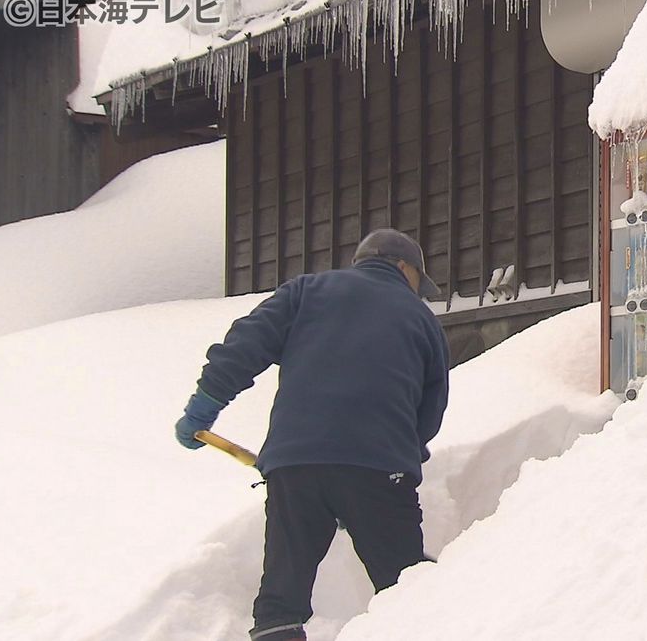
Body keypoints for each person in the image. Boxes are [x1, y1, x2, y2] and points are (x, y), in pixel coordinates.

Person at [174, 229, 450, 641]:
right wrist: (388, 468)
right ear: (403, 267)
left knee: (281, 598)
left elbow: (245, 345)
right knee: (407, 586)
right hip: (380, 468)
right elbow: (430, 410)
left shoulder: (306, 291)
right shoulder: (421, 318)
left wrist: (205, 404)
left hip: (294, 466)